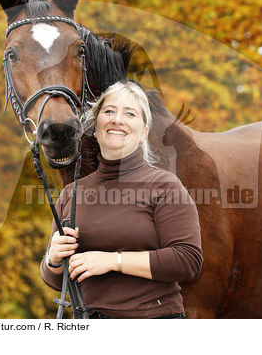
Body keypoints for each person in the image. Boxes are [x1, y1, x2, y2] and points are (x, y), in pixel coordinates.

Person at [40, 80, 203, 318]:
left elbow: (188, 260)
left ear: (144, 132)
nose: (117, 119)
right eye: (109, 111)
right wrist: (53, 258)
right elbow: (54, 279)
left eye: (130, 113)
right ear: (95, 127)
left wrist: (112, 261)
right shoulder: (72, 193)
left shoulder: (164, 186)